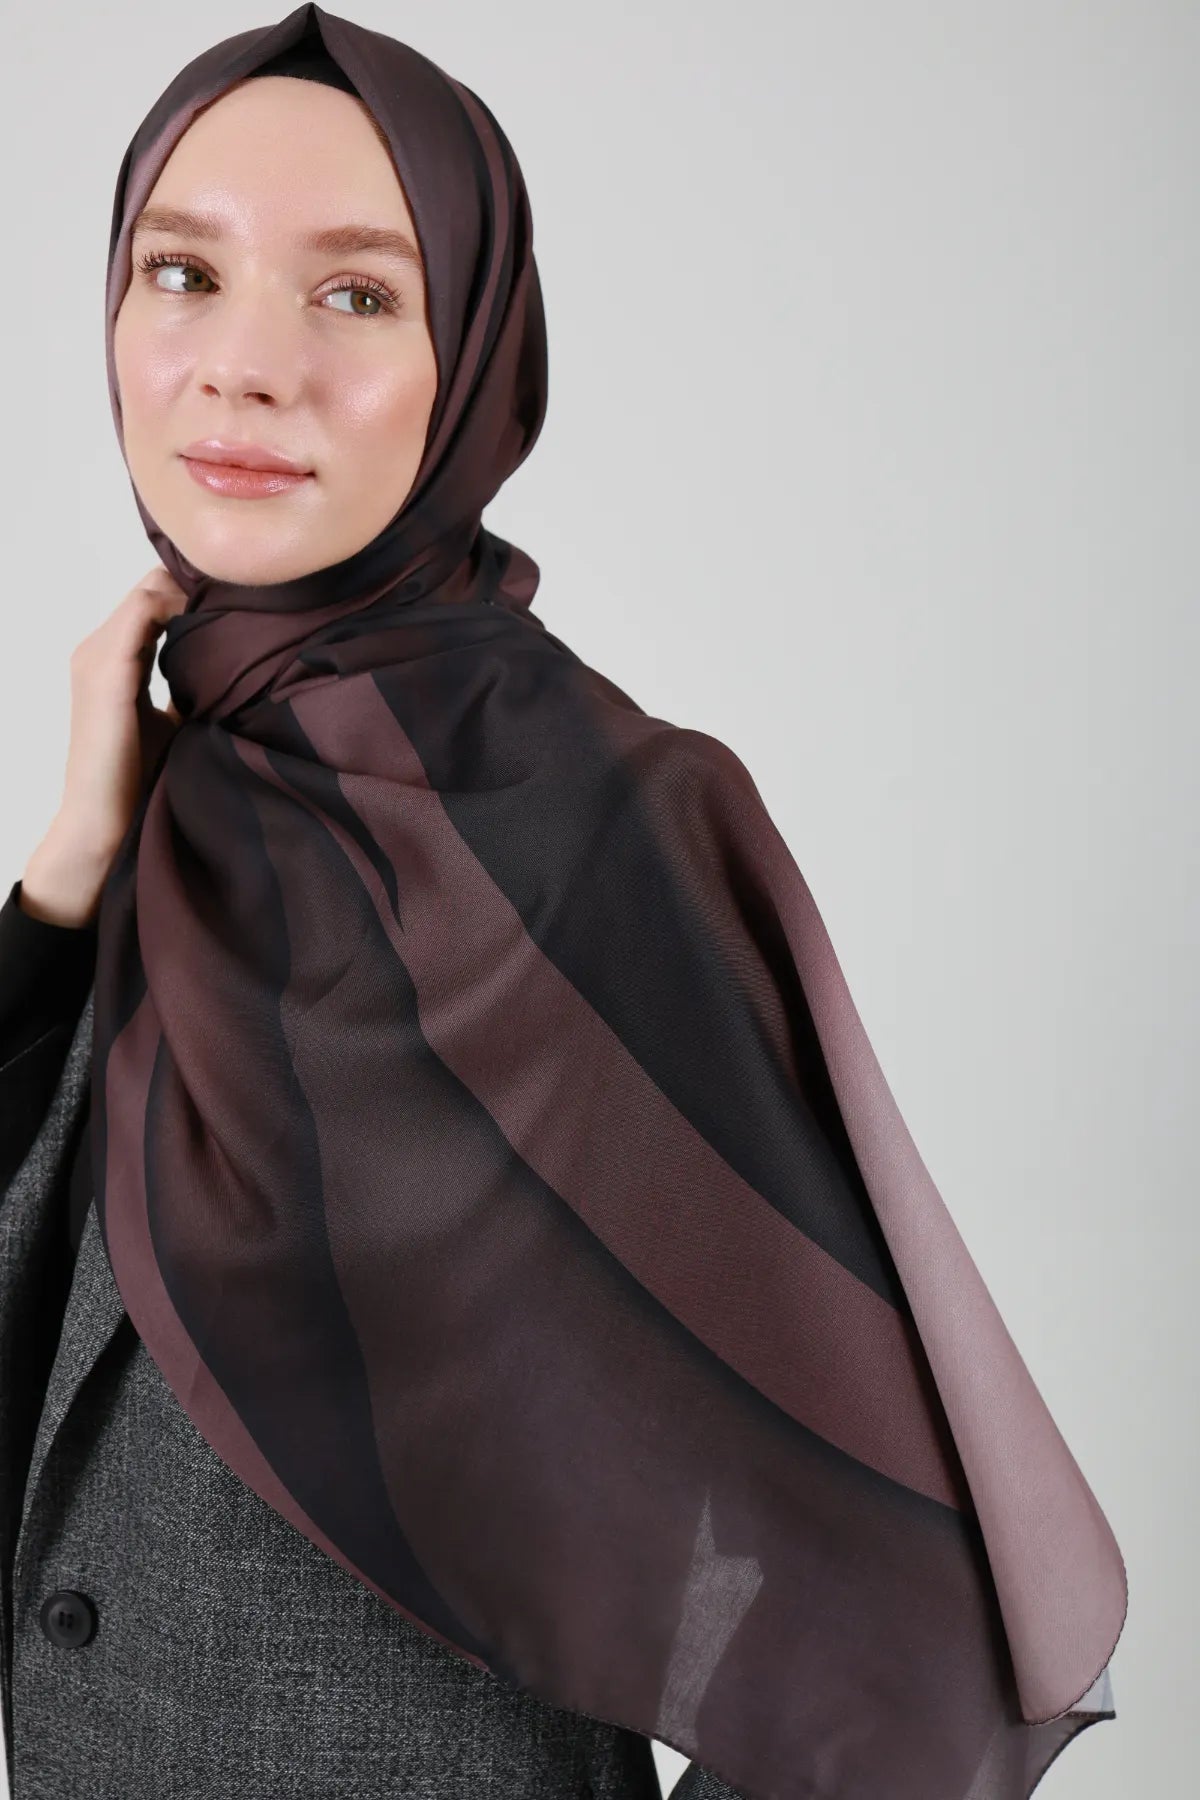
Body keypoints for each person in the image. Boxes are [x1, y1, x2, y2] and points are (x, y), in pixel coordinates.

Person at [0, 6, 1124, 1798]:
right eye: (182, 273)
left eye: (356, 293)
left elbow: (892, 1596)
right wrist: (64, 884)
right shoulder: (182, 793)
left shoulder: (600, 820)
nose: (243, 367)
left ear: (477, 351)